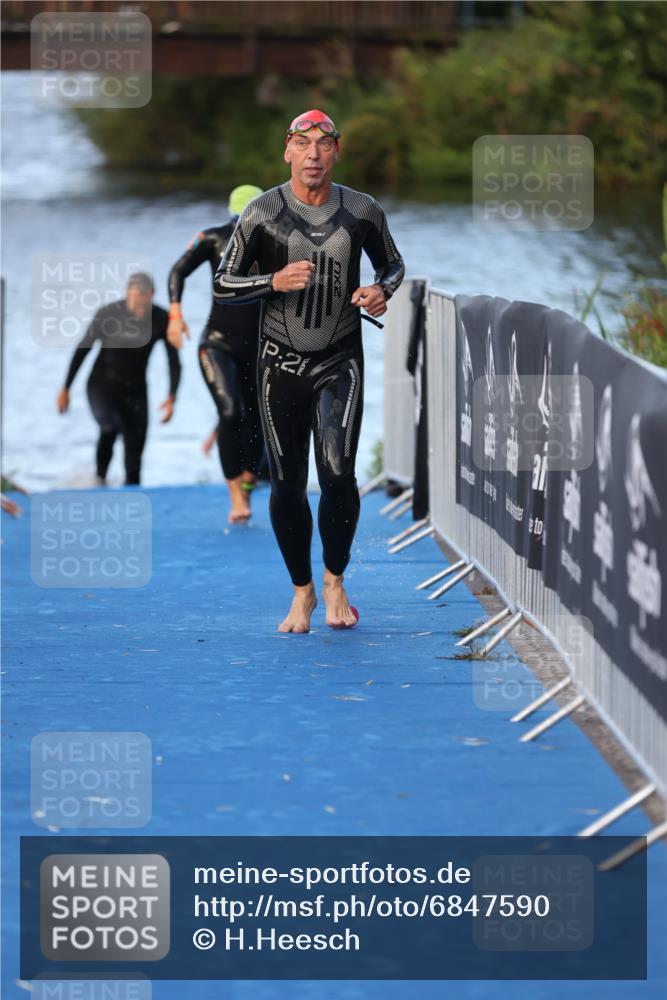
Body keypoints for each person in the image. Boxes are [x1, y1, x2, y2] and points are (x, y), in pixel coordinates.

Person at [214, 110, 404, 633]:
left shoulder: (362, 210)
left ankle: (335, 578)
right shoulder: (261, 213)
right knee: (289, 484)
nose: (313, 154)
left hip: (340, 358)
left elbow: (392, 263)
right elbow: (222, 283)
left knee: (338, 470)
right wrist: (271, 281)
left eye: (324, 144)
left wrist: (381, 290)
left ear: (336, 151)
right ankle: (302, 591)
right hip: (279, 364)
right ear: (287, 151)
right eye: (303, 143)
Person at [167, 184, 265, 523]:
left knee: (259, 419)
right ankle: (235, 493)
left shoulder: (277, 242)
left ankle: (249, 483)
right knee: (229, 412)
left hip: (261, 346)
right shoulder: (211, 239)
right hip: (218, 342)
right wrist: (175, 316)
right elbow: (178, 270)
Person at [57, 273, 180, 486]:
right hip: (101, 386)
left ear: (152, 295)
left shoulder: (160, 319)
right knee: (111, 427)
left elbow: (174, 361)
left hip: (136, 390)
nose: (140, 307)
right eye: (136, 301)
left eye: (145, 302)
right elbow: (83, 349)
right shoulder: (108, 314)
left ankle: (132, 495)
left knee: (135, 449)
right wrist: (66, 388)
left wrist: (172, 396)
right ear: (127, 294)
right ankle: (100, 481)